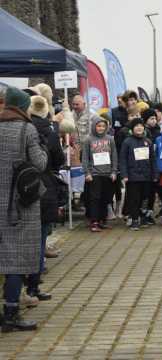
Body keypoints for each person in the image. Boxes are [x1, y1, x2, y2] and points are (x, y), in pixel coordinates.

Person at [0, 87, 48, 332]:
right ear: (22, 106)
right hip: (19, 204)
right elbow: (39, 163)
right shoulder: (26, 129)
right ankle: (10, 313)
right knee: (15, 260)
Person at [26, 94, 65, 301]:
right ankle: (34, 283)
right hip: (44, 185)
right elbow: (58, 158)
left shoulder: (25, 127)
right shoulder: (48, 131)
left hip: (23, 187)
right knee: (40, 235)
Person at [120, 118, 158, 231]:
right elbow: (123, 159)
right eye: (136, 126)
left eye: (141, 125)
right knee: (133, 198)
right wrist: (124, 175)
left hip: (146, 176)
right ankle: (135, 219)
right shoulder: (127, 142)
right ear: (132, 129)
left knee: (145, 198)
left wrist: (155, 174)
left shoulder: (148, 141)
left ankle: (143, 217)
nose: (139, 128)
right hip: (132, 177)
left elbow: (153, 160)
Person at [82, 116, 118, 232]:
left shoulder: (110, 139)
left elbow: (114, 156)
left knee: (106, 198)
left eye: (103, 126)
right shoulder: (88, 140)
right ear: (94, 126)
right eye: (98, 126)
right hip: (94, 174)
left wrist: (114, 171)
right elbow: (85, 158)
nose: (101, 128)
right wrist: (87, 172)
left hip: (108, 174)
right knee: (95, 198)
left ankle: (103, 220)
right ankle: (94, 221)